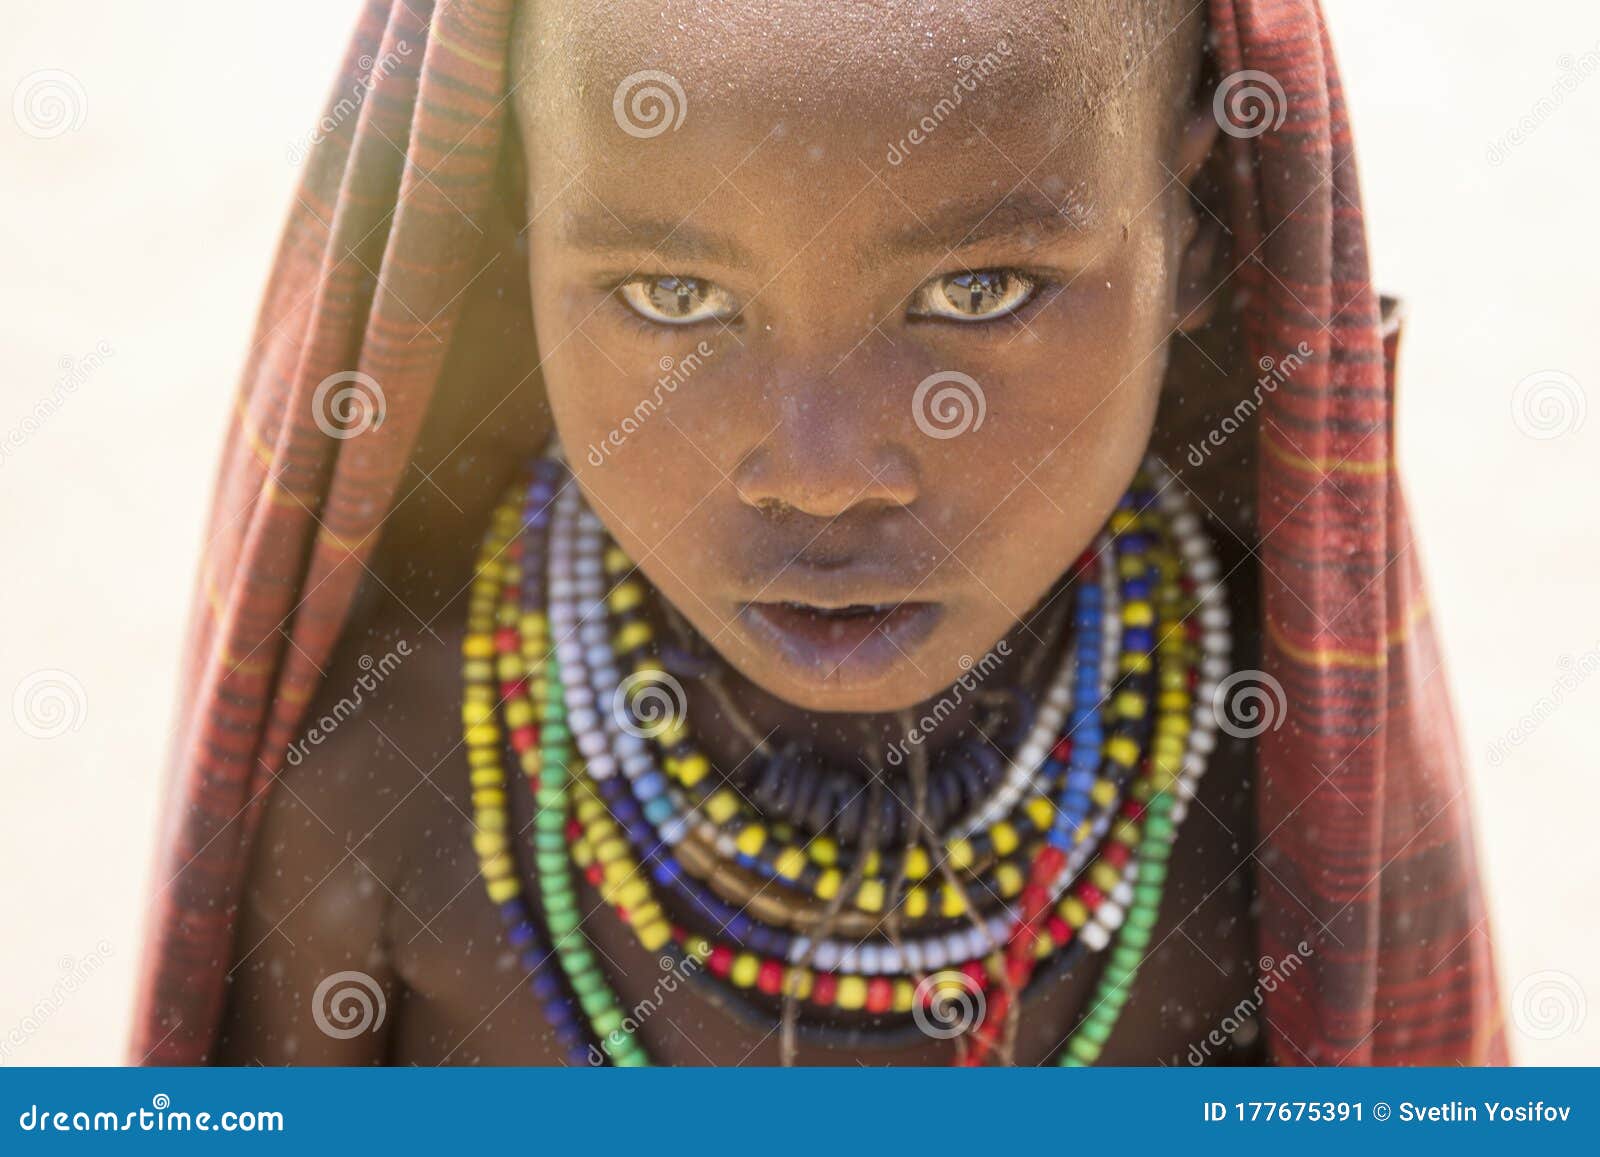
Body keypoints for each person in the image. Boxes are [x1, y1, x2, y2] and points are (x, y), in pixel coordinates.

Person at [131, 0, 1506, 1066]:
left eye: (979, 286)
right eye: (673, 294)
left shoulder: (1268, 789)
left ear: (1198, 229)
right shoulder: (389, 806)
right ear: (513, 226)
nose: (823, 473)